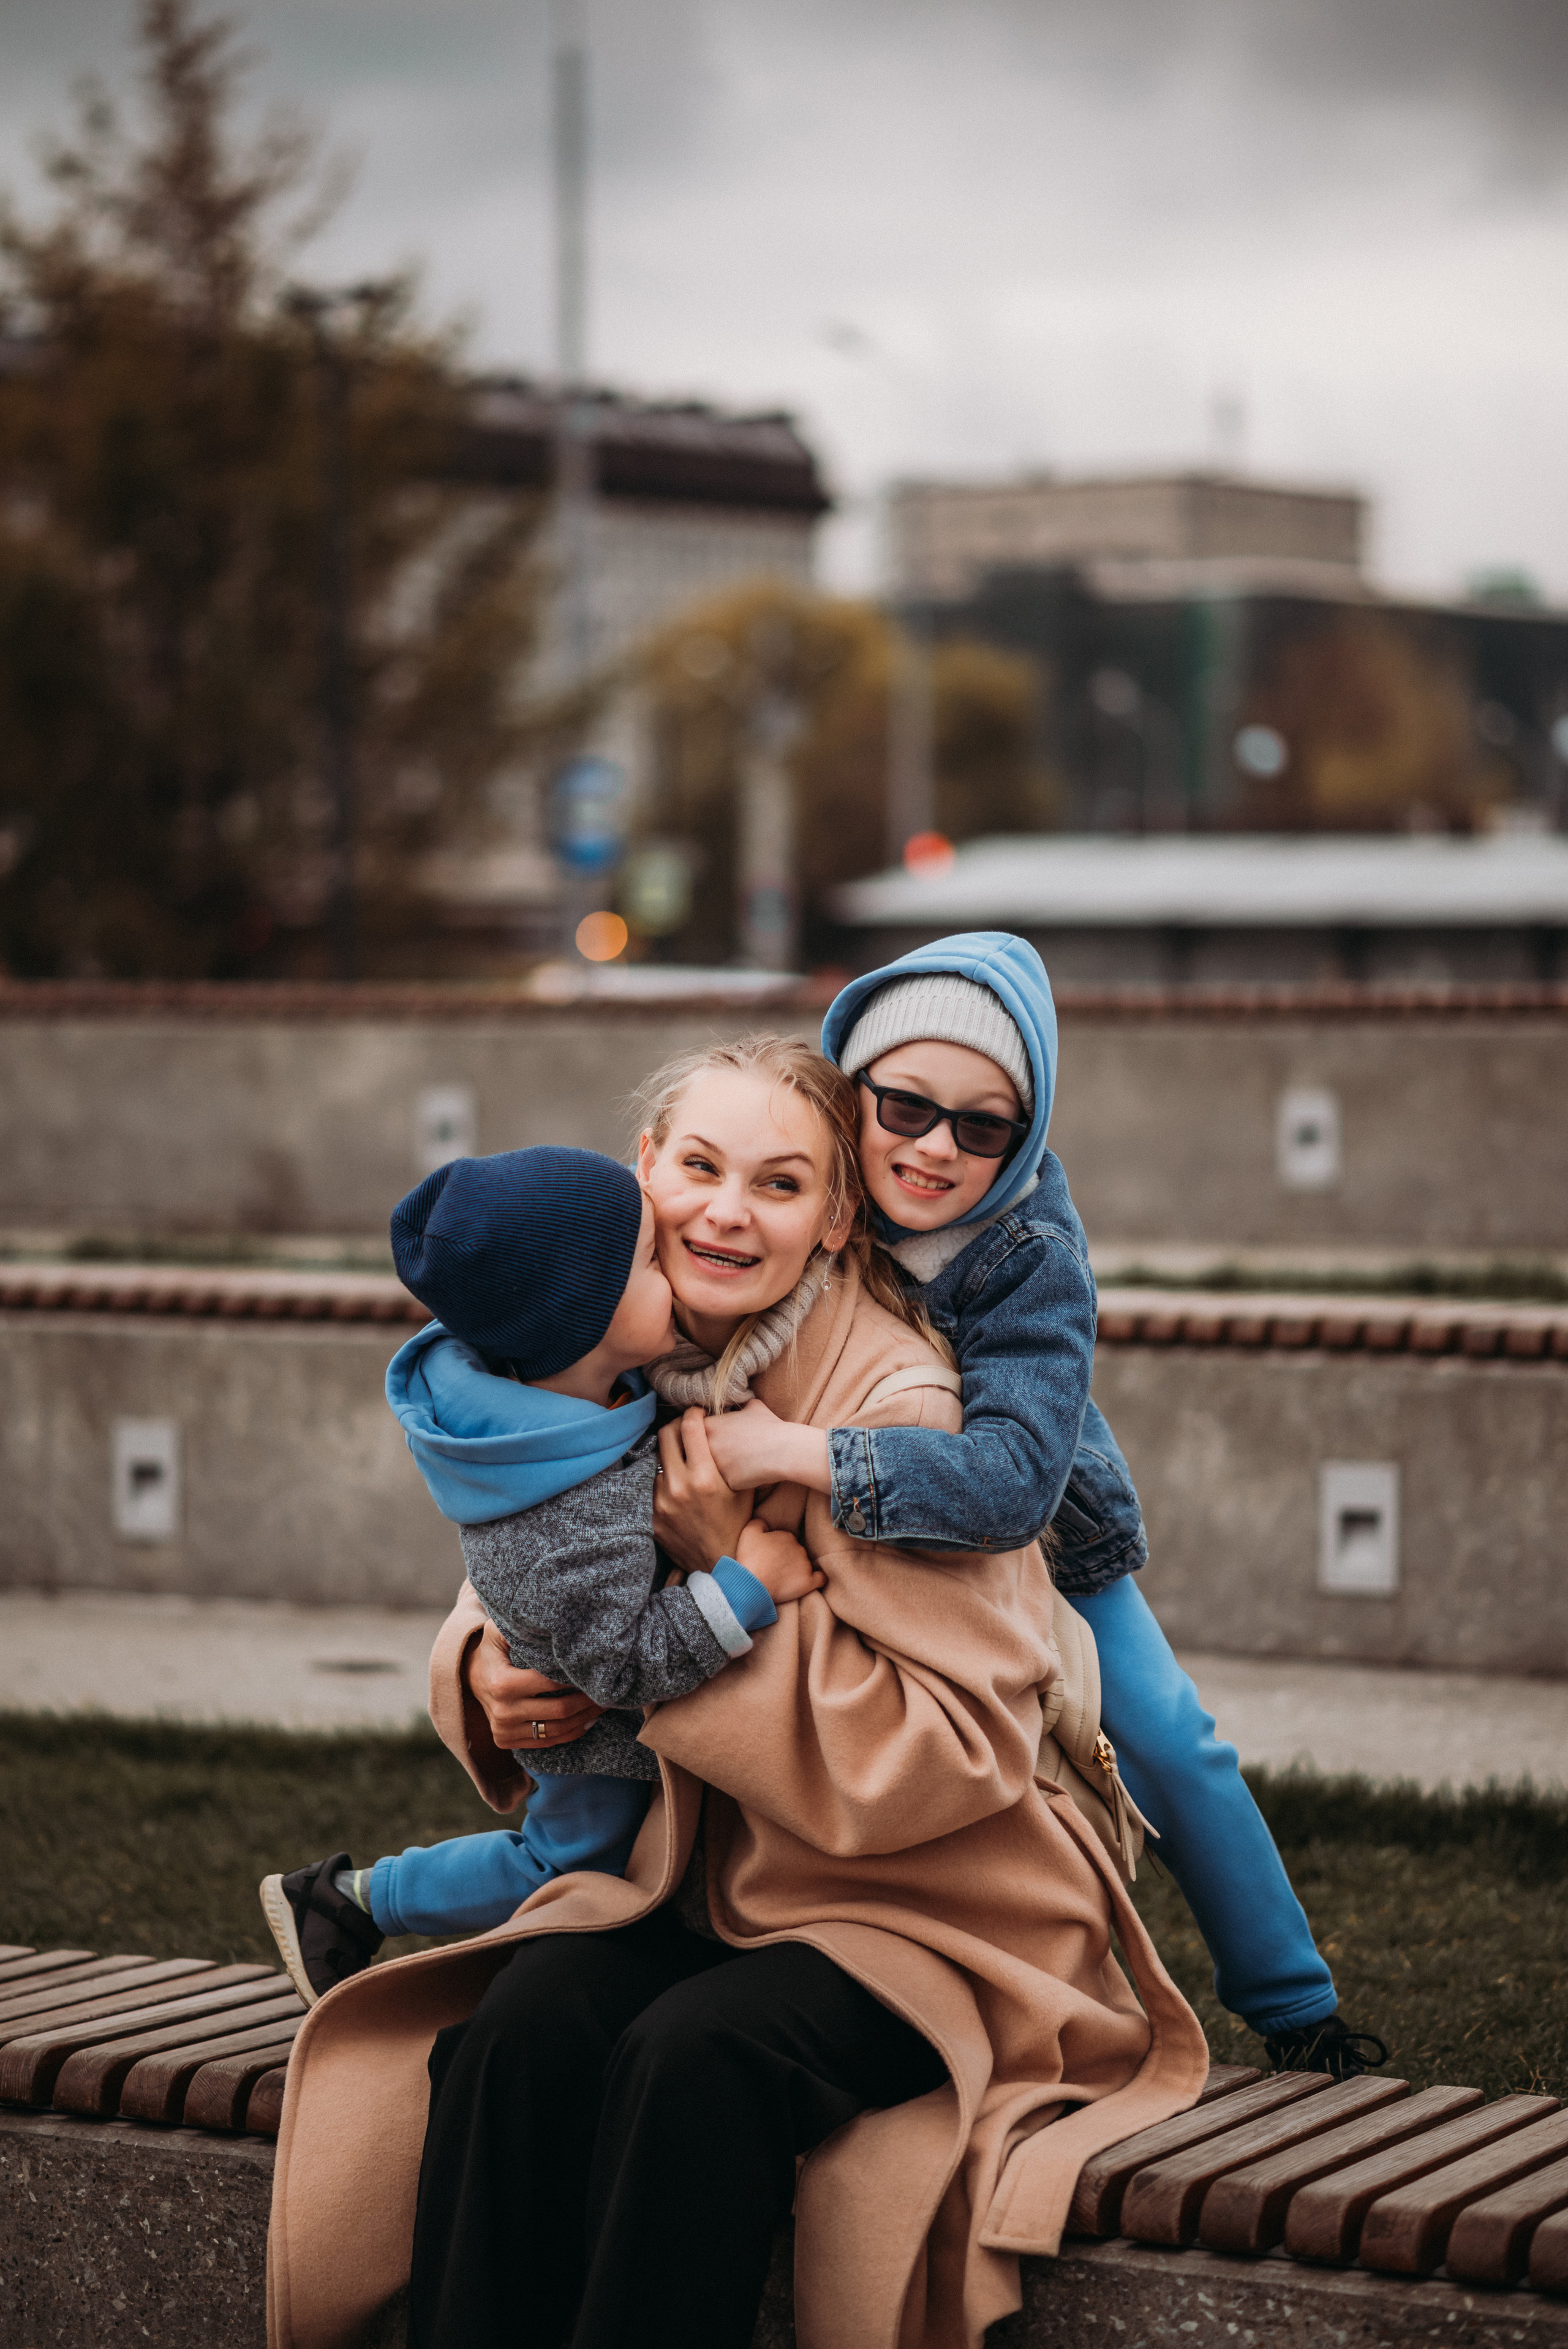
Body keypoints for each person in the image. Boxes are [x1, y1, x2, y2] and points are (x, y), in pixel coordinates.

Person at [266, 1035, 1208, 2349]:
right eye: (698, 1167)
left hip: (929, 1906)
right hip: (714, 1883)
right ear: (642, 1169)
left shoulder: (895, 1402)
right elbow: (529, 1584)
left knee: (694, 2060)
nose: (724, 1211)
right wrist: (486, 1674)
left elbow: (953, 1754)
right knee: (519, 2033)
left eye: (777, 1185)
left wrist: (716, 1583)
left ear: (833, 1220)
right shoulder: (616, 1347)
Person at [696, 931, 1384, 2079]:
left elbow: (1013, 1483)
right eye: (906, 1106)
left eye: (982, 1125)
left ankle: (1295, 2004)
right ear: (849, 1091)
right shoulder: (802, 1188)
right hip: (852, 1558)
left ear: (1025, 1135)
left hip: (1048, 1551)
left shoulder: (1027, 1255)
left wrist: (802, 1451)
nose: (933, 1148)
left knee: (1171, 1740)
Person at [258, 1145, 820, 2005]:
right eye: (645, 1260)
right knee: (556, 1869)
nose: (669, 1257)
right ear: (581, 1319)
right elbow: (622, 1668)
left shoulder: (577, 1387)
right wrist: (747, 1582)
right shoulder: (566, 1516)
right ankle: (351, 1899)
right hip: (588, 1746)